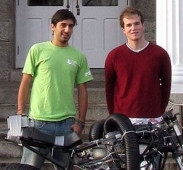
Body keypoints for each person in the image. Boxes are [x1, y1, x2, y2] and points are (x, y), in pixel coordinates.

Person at [17, 9, 93, 169]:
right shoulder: (37, 50)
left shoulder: (79, 57)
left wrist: (81, 122)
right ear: (53, 26)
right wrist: (20, 114)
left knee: (65, 167)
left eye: (71, 26)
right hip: (38, 123)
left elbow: (83, 91)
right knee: (29, 167)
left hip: (66, 125)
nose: (67, 30)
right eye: (63, 25)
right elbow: (25, 83)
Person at [105, 7, 172, 126]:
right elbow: (109, 88)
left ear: (143, 25)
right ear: (123, 30)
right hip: (123, 119)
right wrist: (114, 115)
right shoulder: (114, 56)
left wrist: (159, 111)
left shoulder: (160, 54)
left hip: (152, 118)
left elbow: (166, 86)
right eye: (129, 25)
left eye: (136, 23)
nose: (133, 28)